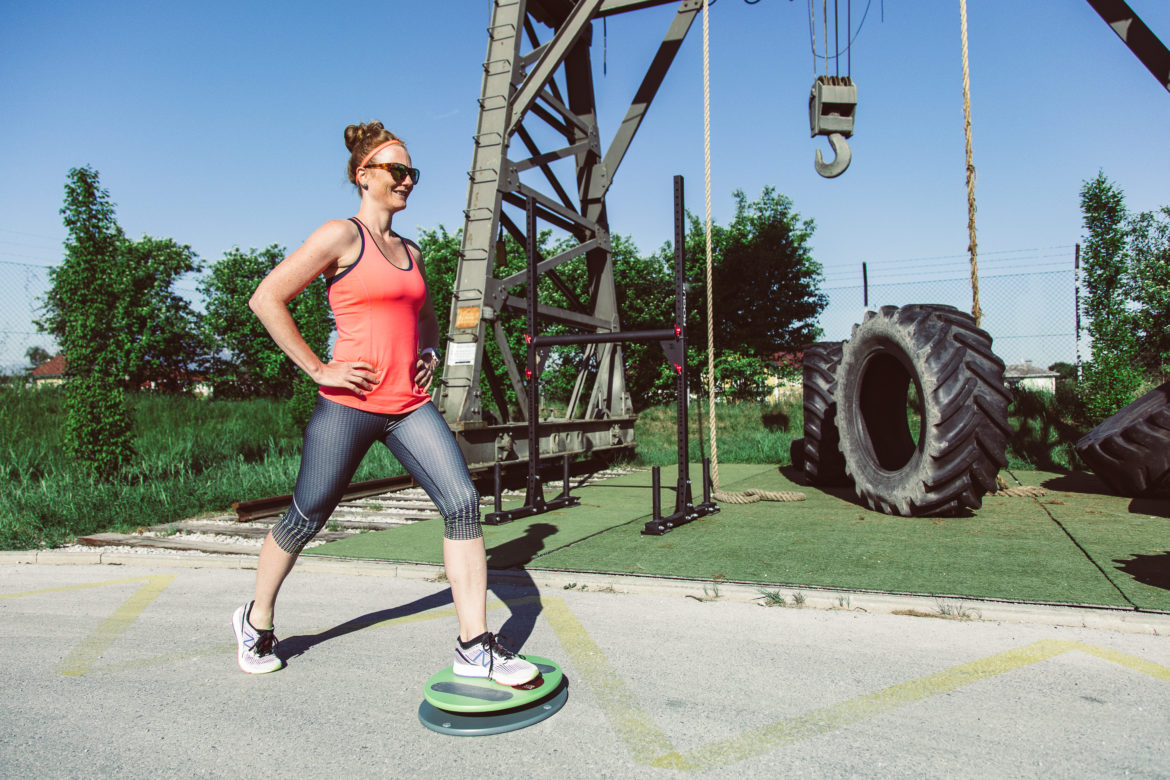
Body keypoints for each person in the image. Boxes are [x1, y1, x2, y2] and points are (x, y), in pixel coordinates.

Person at [232, 121, 538, 686]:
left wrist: (427, 351)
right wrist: (320, 368)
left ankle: (474, 645)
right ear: (363, 175)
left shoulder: (412, 250)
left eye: (412, 173)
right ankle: (256, 620)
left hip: (408, 405)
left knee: (463, 502)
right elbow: (266, 298)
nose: (408, 181)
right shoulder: (340, 237)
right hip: (348, 404)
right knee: (306, 517)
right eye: (398, 171)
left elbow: (420, 316)